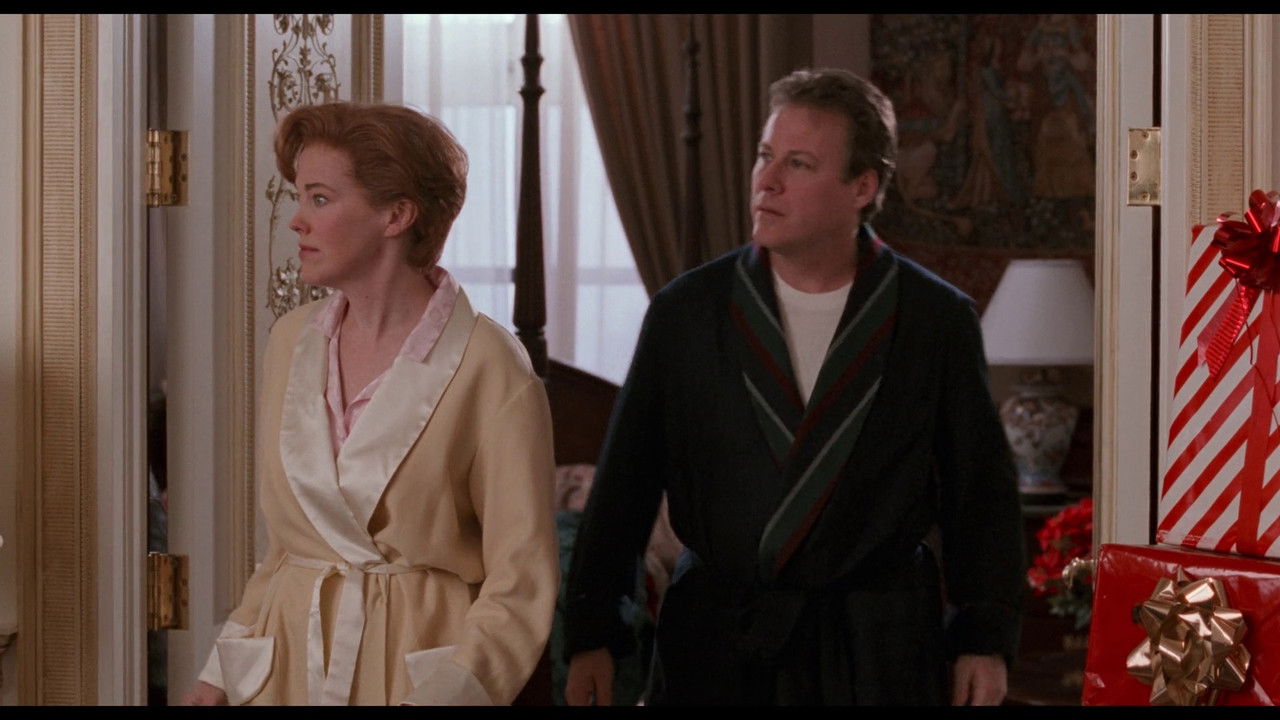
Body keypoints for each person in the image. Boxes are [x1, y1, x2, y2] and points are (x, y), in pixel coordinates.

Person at [562, 68, 1025, 706]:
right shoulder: (686, 313)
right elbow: (623, 487)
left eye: (798, 163)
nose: (766, 180)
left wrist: (983, 637)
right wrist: (593, 634)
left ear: (863, 186)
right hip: (717, 645)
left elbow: (980, 494)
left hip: (875, 649)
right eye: (765, 155)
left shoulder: (933, 319)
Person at [182, 102, 559, 706]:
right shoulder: (291, 343)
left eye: (320, 199)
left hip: (414, 672)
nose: (296, 221)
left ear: (397, 214)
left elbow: (522, 581)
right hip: (286, 667)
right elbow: (285, 550)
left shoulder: (491, 366)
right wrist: (218, 673)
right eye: (299, 198)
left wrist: (447, 696)